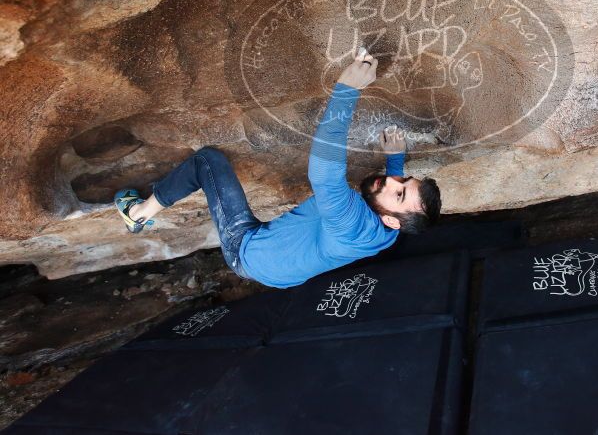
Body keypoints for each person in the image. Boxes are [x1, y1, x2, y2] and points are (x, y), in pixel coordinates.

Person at [113, 48, 442, 288]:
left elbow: (324, 173)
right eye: (403, 180)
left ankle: (138, 213)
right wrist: (395, 159)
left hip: (248, 252)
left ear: (388, 219)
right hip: (281, 269)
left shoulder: (352, 223)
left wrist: (347, 89)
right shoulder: (393, 230)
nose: (390, 181)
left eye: (397, 193)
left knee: (208, 161)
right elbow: (398, 199)